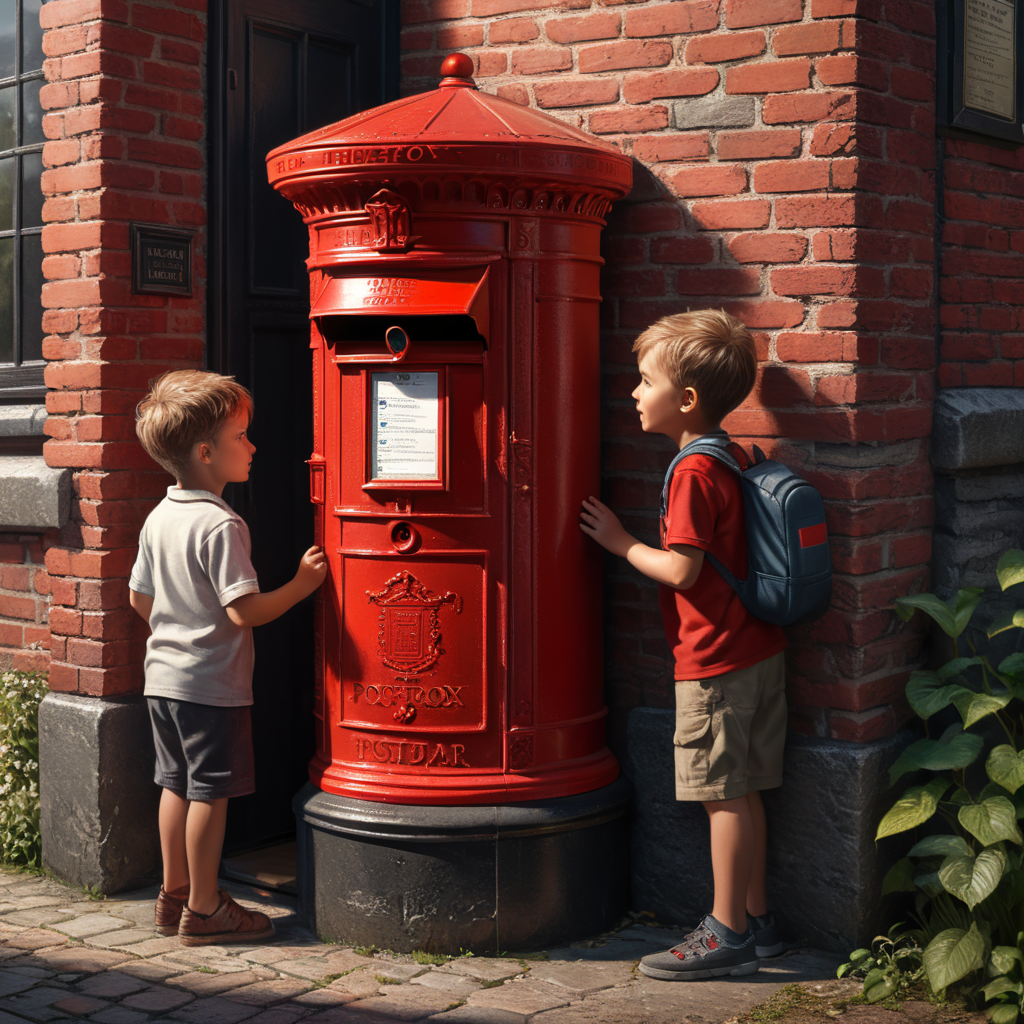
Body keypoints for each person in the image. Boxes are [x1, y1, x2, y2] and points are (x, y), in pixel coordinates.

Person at [580, 310, 788, 981]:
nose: (635, 393)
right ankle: (758, 921)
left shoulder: (692, 471)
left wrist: (620, 542)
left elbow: (682, 570)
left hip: (715, 660)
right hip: (757, 648)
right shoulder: (730, 454)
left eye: (646, 381)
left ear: (688, 399)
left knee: (720, 795)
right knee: (745, 790)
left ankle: (726, 932)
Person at [128, 370, 327, 946]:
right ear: (205, 452)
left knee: (174, 785)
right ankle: (207, 907)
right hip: (210, 686)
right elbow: (244, 611)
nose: (253, 446)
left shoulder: (160, 516)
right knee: (209, 795)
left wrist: (178, 631)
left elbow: (139, 598)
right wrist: (302, 584)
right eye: (241, 436)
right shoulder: (221, 523)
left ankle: (173, 895)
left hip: (162, 680)